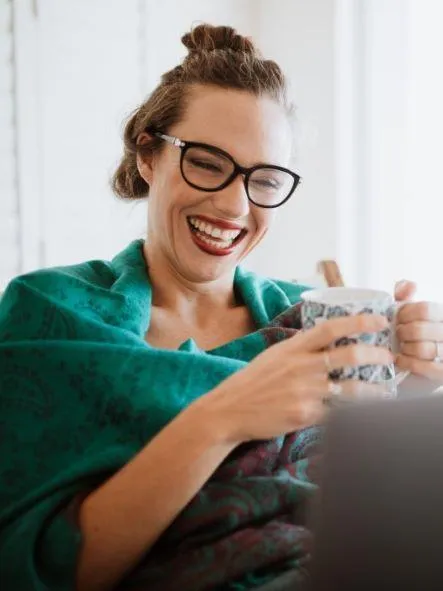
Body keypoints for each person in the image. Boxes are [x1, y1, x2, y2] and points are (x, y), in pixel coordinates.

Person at [1, 23, 443, 591]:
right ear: (147, 155)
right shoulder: (52, 315)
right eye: (207, 163)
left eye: (265, 179)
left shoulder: (302, 319)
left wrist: (411, 382)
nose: (235, 205)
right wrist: (224, 415)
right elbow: (46, 567)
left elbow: (349, 494)